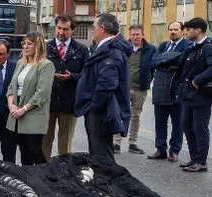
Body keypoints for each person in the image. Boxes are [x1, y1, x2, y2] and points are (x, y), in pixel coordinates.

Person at [75, 13, 132, 161]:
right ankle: (102, 181)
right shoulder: (105, 48)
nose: (92, 30)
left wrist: (93, 106)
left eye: (93, 27)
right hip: (100, 110)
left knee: (102, 156)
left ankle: (106, 183)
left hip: (101, 112)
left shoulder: (110, 52)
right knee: (98, 153)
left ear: (102, 28)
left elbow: (107, 84)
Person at [43, 14, 89, 160]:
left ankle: (63, 172)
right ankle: (44, 170)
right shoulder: (45, 47)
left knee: (65, 143)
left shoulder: (81, 49)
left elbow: (87, 75)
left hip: (69, 103)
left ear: (72, 30)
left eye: (65, 29)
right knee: (44, 141)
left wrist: (72, 77)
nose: (61, 32)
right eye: (59, 28)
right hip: (47, 102)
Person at [5, 33, 55, 165]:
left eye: (29, 43)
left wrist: (24, 109)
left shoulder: (46, 65)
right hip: (17, 114)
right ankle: (28, 181)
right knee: (24, 151)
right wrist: (11, 105)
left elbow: (42, 93)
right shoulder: (21, 63)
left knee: (35, 150)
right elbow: (11, 87)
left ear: (38, 45)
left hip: (33, 113)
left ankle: (45, 180)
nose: (25, 46)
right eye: (24, 43)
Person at [172, 17, 212, 173]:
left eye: (188, 30)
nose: (186, 32)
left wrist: (198, 79)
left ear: (198, 30)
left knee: (199, 129)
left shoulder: (208, 47)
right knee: (186, 126)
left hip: (201, 96)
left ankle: (201, 161)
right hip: (188, 95)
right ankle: (194, 158)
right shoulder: (192, 48)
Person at [148, 21, 191, 162]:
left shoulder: (187, 46)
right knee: (160, 122)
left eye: (176, 29)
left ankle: (174, 151)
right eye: (171, 29)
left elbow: (181, 63)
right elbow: (153, 62)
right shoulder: (163, 45)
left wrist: (164, 60)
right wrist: (168, 60)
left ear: (182, 31)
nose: (173, 32)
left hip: (176, 89)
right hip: (160, 89)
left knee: (177, 123)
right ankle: (160, 150)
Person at [119, 25, 156, 154]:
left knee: (136, 116)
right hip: (123, 88)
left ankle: (132, 143)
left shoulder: (150, 49)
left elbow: (153, 68)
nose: (135, 37)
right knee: (120, 114)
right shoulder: (123, 48)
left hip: (140, 89)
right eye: (133, 34)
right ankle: (116, 142)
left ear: (142, 35)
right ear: (129, 35)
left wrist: (147, 80)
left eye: (137, 34)